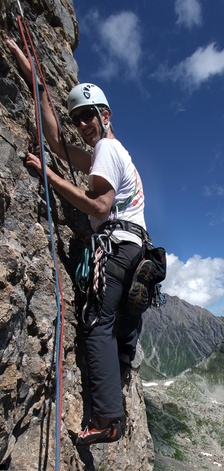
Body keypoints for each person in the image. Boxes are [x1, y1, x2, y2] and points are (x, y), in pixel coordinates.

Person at [7, 38, 154, 445]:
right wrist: (36, 84)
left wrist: (48, 178)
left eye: (90, 115)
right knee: (119, 323)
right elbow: (57, 144)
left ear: (105, 115)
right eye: (77, 118)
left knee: (95, 323)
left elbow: (101, 204)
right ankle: (122, 364)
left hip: (118, 249)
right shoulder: (113, 152)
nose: (83, 124)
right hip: (138, 253)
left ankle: (108, 420)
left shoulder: (107, 148)